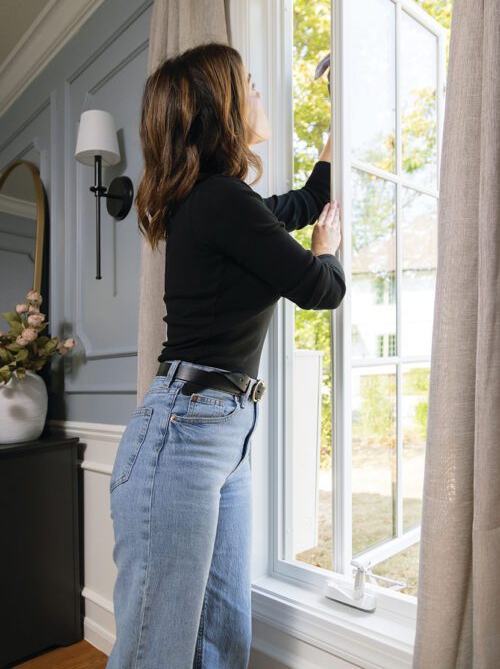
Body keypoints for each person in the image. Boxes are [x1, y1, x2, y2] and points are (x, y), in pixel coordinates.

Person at [107, 42, 344, 668]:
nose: (260, 94)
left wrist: (339, 111)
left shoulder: (222, 203)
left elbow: (307, 199)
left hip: (217, 428)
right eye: (251, 85)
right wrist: (325, 251)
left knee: (221, 637)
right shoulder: (220, 200)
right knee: (156, 649)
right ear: (223, 107)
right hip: (184, 430)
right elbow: (321, 289)